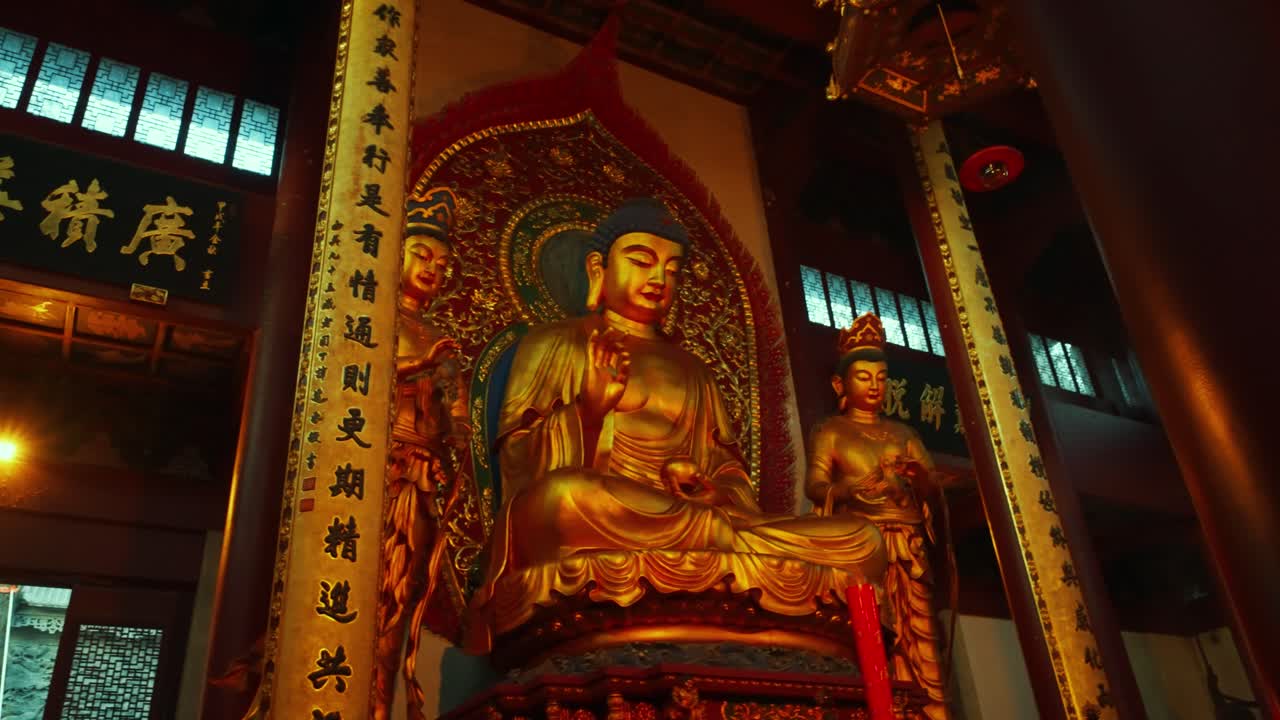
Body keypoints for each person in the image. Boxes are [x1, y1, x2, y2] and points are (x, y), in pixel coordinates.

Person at [466, 198, 888, 653]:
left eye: (671, 270)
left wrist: (713, 489)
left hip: (698, 521)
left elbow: (730, 474)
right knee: (564, 501)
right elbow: (520, 466)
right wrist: (589, 414)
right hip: (607, 512)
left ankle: (731, 543)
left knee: (864, 539)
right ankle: (732, 546)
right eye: (642, 261)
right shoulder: (556, 342)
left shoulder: (694, 370)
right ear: (597, 269)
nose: (657, 279)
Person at [806, 312, 948, 720]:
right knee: (873, 638)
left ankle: (930, 712)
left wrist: (922, 477)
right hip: (863, 548)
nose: (875, 385)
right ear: (840, 384)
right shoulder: (830, 431)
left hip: (910, 551)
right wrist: (848, 490)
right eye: (864, 377)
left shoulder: (905, 435)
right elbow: (814, 486)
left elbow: (932, 489)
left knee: (920, 640)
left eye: (881, 377)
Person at [373, 186, 468, 720]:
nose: (434, 268)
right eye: (422, 254)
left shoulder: (439, 337)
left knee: (403, 598)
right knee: (370, 588)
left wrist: (460, 422)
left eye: (442, 261)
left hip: (422, 479)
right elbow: (354, 386)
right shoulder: (374, 320)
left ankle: (379, 705)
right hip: (379, 469)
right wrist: (416, 368)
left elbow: (455, 422)